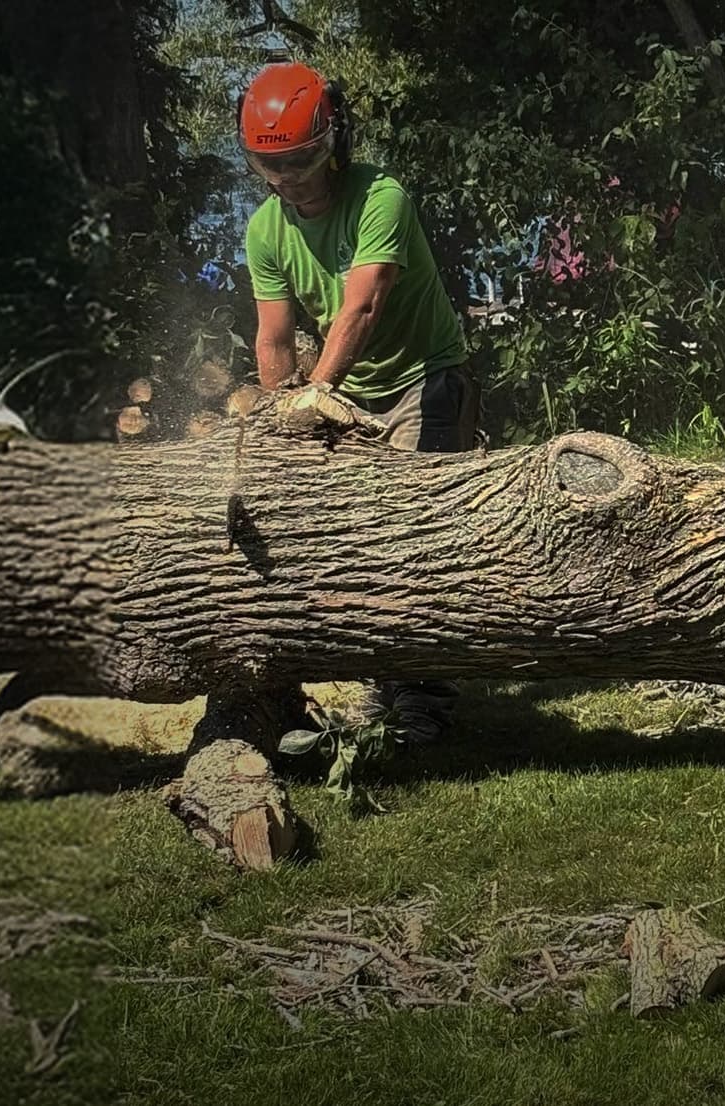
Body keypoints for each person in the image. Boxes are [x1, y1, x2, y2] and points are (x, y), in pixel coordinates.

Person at [237, 59, 478, 748]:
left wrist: (320, 390)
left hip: (421, 382)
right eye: (269, 164)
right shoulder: (264, 231)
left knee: (415, 537)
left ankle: (424, 701)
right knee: (355, 538)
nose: (287, 178)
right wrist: (281, 411)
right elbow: (274, 336)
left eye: (303, 159)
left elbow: (362, 306)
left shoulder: (382, 197)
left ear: (332, 142)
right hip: (347, 392)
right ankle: (381, 679)